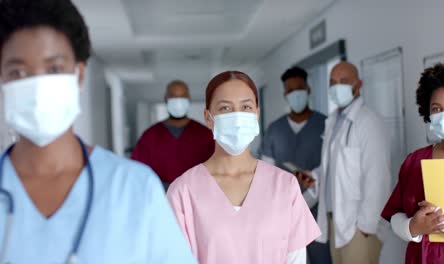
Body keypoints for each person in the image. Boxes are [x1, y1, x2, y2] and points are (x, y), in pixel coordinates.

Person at [0, 0, 196, 263]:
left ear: (79, 75)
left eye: (54, 68)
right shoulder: (151, 138)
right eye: (18, 72)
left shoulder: (134, 188)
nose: (37, 86)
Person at [167, 71, 320, 264]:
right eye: (225, 108)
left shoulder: (285, 185)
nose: (237, 118)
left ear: (256, 113)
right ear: (208, 117)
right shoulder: (183, 191)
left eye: (245, 107)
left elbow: (295, 260)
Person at [297, 62, 391, 264]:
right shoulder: (334, 121)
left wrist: (365, 227)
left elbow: (377, 178)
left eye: (344, 81)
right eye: (332, 82)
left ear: (358, 85)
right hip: (336, 222)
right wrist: (314, 176)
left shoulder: (368, 122)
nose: (336, 87)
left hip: (360, 226)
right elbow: (332, 167)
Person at [382, 62, 444, 264]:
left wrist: (442, 223)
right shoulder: (415, 161)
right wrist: (413, 227)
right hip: (419, 258)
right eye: (436, 109)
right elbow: (395, 214)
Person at [260, 67, 330, 264]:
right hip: (284, 211)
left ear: (308, 89)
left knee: (320, 257)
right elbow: (267, 175)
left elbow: (331, 169)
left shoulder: (325, 124)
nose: (295, 94)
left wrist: (308, 199)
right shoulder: (275, 130)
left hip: (317, 210)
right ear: (285, 95)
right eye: (290, 91)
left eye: (299, 88)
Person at [132, 80, 214, 190]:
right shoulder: (150, 136)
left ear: (189, 99)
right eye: (173, 97)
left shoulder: (204, 134)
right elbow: (137, 170)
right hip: (160, 196)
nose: (178, 101)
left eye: (182, 97)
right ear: (166, 99)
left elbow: (217, 168)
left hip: (196, 194)